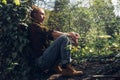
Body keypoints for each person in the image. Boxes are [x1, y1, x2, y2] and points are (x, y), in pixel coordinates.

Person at [28, 5, 83, 76]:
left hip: (44, 59)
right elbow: (53, 33)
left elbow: (58, 40)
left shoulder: (39, 27)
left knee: (64, 39)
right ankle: (67, 68)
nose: (44, 16)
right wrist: (69, 34)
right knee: (64, 38)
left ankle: (55, 68)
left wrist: (73, 39)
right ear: (35, 15)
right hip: (40, 61)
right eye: (42, 14)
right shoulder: (34, 27)